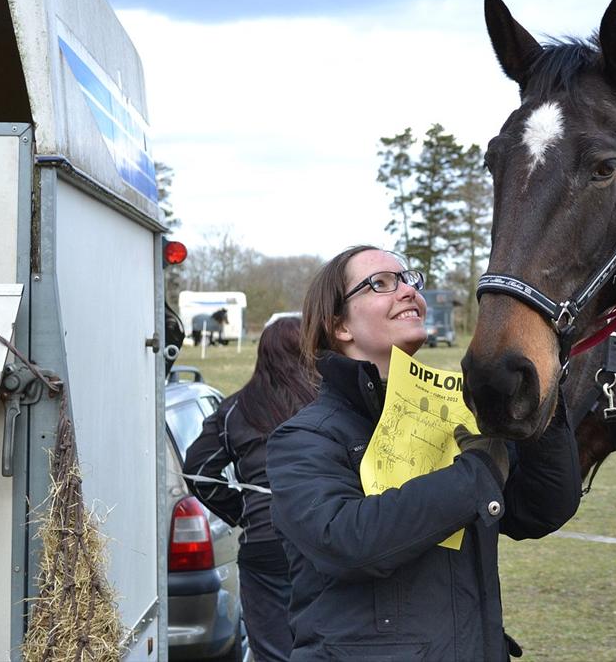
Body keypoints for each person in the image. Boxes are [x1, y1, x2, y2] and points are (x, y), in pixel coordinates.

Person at [266, 246, 581, 662]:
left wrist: (542, 403)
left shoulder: (455, 420)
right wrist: (476, 474)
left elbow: (540, 510)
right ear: (339, 325)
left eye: (409, 280)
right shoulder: (303, 438)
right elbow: (344, 540)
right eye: (381, 283)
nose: (408, 292)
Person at [184, 316, 315, 662]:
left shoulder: (235, 409)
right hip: (328, 540)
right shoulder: (331, 403)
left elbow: (197, 470)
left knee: (273, 654)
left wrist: (242, 511)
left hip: (264, 542)